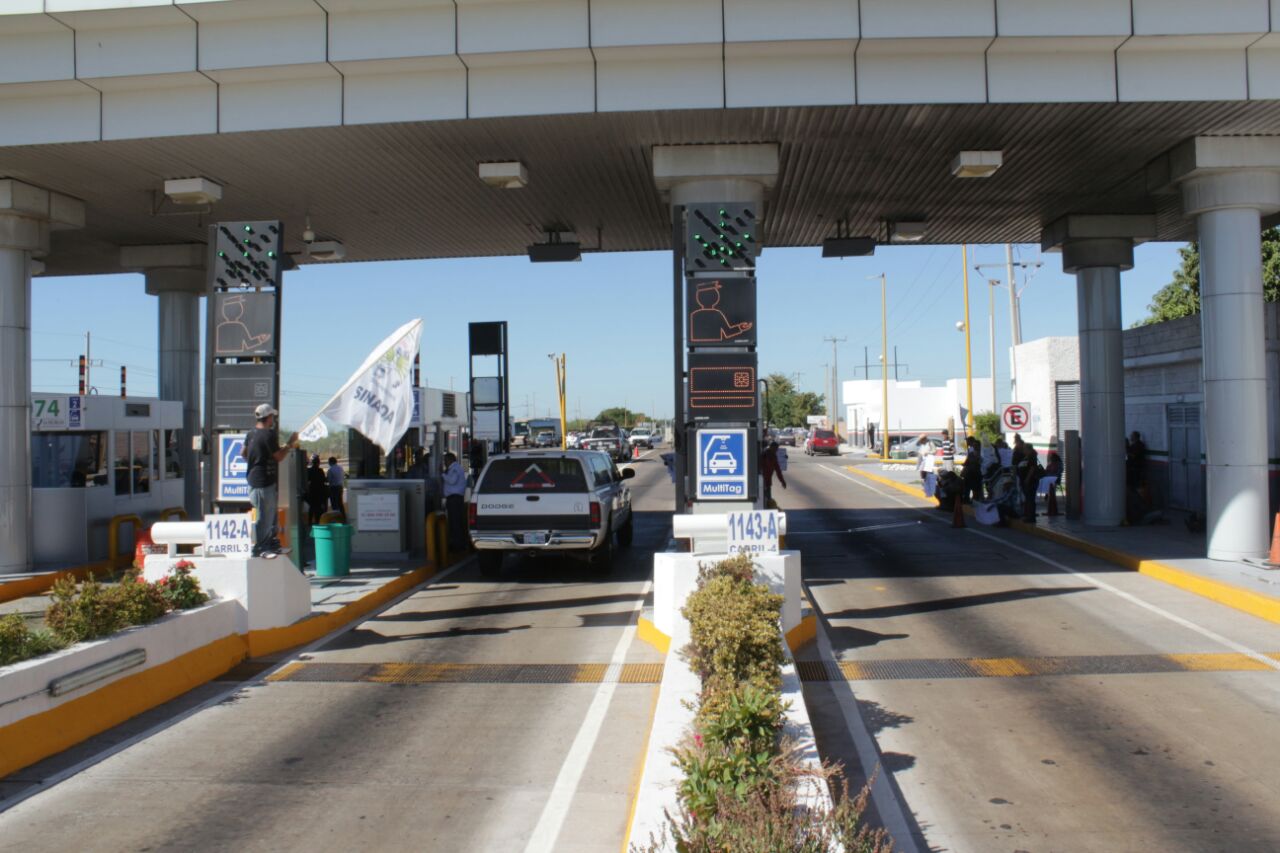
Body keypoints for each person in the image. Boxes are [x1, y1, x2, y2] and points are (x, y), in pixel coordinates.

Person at [241, 403, 299, 558]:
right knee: (265, 516)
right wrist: (290, 443)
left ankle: (272, 545)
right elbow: (279, 456)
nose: (274, 419)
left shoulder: (251, 433)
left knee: (270, 514)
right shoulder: (268, 434)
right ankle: (262, 548)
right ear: (269, 418)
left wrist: (255, 461)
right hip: (263, 482)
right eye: (273, 416)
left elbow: (243, 453)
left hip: (255, 480)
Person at [442, 451, 468, 552]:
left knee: (455, 522)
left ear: (450, 460)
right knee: (454, 522)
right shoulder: (454, 468)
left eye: (445, 460)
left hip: (455, 499)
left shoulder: (455, 468)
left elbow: (452, 480)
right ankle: (457, 543)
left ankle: (458, 546)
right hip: (453, 499)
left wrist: (443, 474)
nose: (444, 463)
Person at [760, 440, 787, 508]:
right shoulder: (764, 455)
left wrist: (782, 481)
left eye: (776, 449)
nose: (776, 451)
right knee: (764, 499)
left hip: (767, 481)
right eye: (775, 449)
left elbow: (778, 470)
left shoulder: (773, 456)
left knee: (768, 499)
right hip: (761, 481)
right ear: (771, 447)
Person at [305, 454, 328, 525]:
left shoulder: (309, 470)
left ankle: (310, 521)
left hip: (312, 491)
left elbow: (307, 480)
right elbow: (324, 480)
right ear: (318, 463)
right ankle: (318, 521)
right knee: (319, 508)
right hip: (320, 492)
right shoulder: (320, 470)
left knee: (312, 507)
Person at [961, 436, 983, 504]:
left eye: (976, 445)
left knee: (975, 488)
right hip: (971, 473)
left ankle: (975, 500)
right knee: (969, 486)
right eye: (974, 445)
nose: (975, 447)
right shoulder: (972, 453)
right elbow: (966, 463)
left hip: (977, 473)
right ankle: (968, 499)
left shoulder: (981, 454)